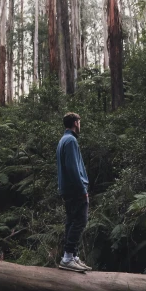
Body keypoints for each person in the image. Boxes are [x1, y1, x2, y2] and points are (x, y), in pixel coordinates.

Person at [56, 112, 92, 272]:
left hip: (68, 190)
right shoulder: (70, 141)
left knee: (72, 221)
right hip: (74, 190)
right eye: (80, 121)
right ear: (76, 123)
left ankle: (72, 256)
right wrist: (82, 189)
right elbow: (72, 168)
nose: (80, 124)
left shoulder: (64, 140)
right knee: (80, 221)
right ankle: (68, 258)